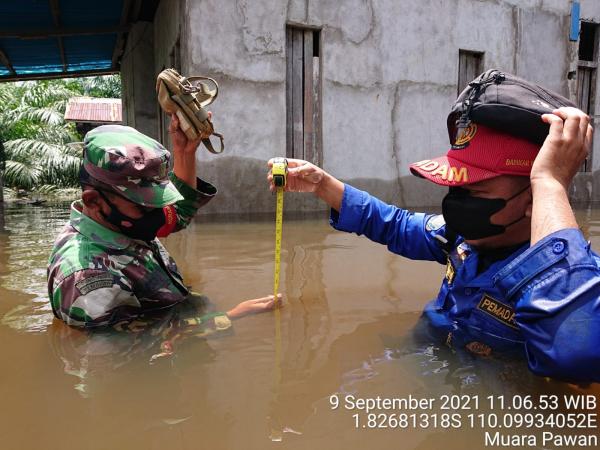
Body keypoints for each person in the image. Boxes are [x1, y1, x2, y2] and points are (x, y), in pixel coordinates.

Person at [268, 106, 600, 382]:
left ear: (532, 198)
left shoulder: (570, 284)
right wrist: (323, 185)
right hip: (425, 366)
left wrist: (550, 183)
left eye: (474, 192)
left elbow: (578, 352)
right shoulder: (460, 237)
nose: (456, 204)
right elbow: (394, 225)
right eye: (454, 189)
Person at [48, 115, 279, 331]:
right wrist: (233, 316)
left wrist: (184, 152)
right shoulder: (90, 279)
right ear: (94, 200)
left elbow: (178, 214)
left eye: (159, 201)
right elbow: (136, 357)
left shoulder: (123, 223)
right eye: (144, 205)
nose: (159, 213)